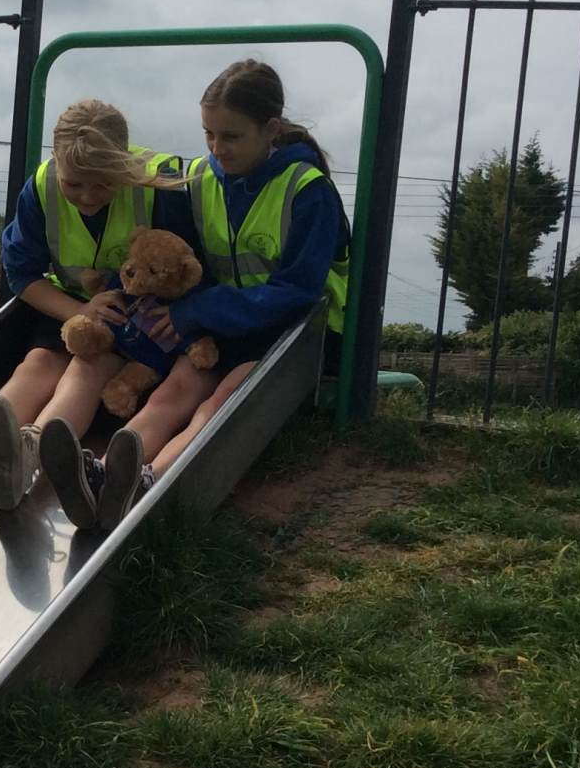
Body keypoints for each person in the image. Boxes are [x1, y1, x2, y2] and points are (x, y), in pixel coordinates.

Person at [40, 59, 349, 531]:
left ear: (270, 130)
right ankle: (105, 475)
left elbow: (296, 292)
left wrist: (199, 310)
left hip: (291, 333)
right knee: (176, 389)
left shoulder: (308, 191)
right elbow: (181, 262)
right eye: (208, 134)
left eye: (231, 136)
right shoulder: (202, 178)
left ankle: (152, 481)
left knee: (220, 399)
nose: (217, 148)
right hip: (219, 325)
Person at [0, 98, 187, 513]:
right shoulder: (42, 187)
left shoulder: (157, 187)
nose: (87, 196)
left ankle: (29, 451)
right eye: (74, 184)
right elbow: (22, 273)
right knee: (38, 362)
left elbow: (181, 270)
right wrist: (78, 311)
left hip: (136, 319)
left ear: (121, 163)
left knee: (84, 369)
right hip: (74, 306)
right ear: (56, 161)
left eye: (102, 184)